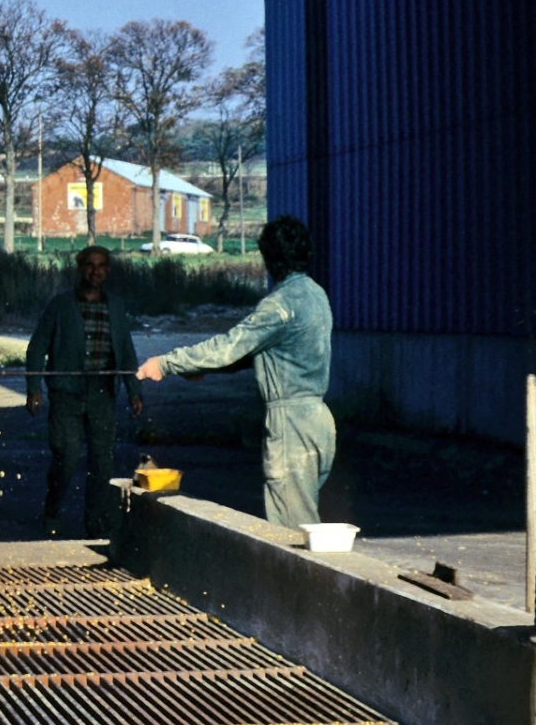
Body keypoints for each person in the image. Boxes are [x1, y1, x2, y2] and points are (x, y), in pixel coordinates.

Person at [137, 215, 334, 529]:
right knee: (303, 516)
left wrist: (165, 363)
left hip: (291, 424)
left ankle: (292, 580)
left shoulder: (280, 304)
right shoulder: (315, 295)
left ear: (270, 258)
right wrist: (203, 368)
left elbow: (230, 345)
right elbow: (263, 351)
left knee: (291, 530)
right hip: (318, 420)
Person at [26, 245, 144, 537]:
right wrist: (33, 387)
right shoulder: (60, 305)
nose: (95, 271)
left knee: (102, 462)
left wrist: (134, 390)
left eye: (101, 265)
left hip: (102, 393)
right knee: (66, 456)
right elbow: (37, 347)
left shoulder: (115, 306)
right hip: (67, 392)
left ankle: (96, 525)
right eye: (89, 265)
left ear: (108, 270)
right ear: (80, 269)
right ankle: (52, 511)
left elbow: (126, 352)